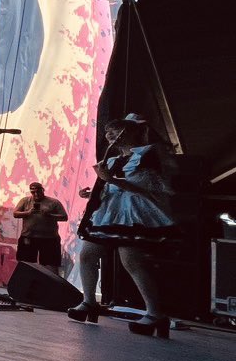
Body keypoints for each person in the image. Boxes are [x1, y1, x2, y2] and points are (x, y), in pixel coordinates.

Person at [70, 114, 179, 337]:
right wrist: (91, 192)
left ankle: (156, 314)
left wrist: (110, 180)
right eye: (107, 131)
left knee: (131, 260)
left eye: (114, 130)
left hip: (133, 214)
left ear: (129, 132)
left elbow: (149, 188)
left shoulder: (148, 155)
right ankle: (89, 302)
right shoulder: (110, 160)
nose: (109, 135)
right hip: (109, 214)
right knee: (88, 255)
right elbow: (110, 187)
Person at [12, 182, 67, 267]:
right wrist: (28, 213)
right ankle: (26, 279)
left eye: (38, 191)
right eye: (33, 192)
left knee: (50, 265)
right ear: (30, 192)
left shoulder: (53, 202)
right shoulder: (25, 201)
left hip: (49, 238)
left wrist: (50, 215)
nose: (36, 194)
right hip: (29, 237)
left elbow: (64, 217)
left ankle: (47, 280)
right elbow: (15, 213)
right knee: (25, 265)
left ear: (43, 190)